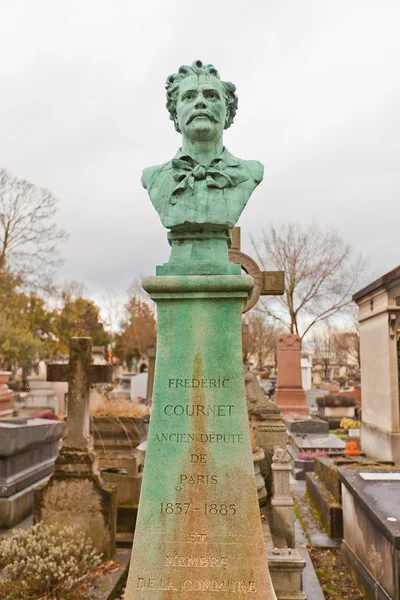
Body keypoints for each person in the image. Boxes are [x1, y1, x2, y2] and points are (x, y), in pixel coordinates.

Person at [142, 60, 264, 231]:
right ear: (175, 114)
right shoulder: (153, 177)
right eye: (189, 97)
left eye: (211, 95)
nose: (200, 102)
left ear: (228, 112)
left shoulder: (251, 172)